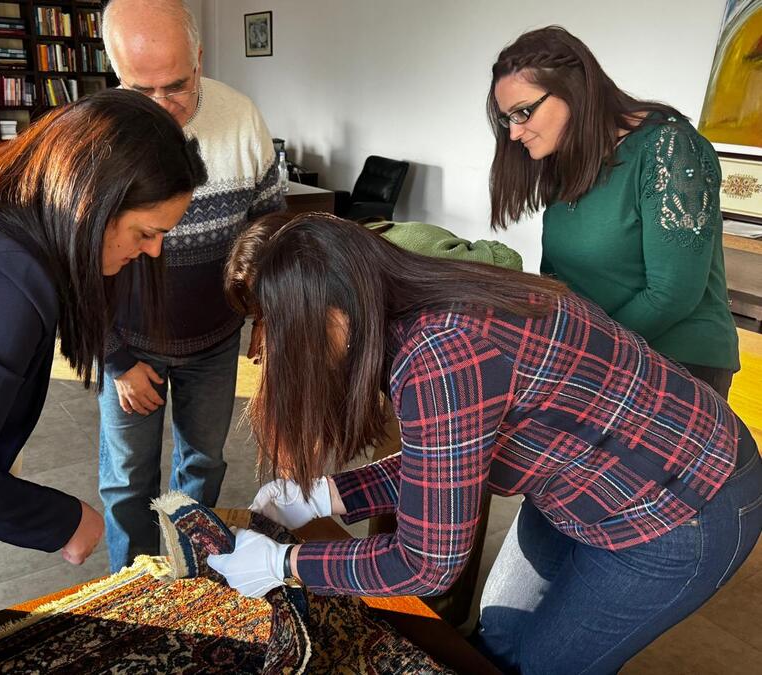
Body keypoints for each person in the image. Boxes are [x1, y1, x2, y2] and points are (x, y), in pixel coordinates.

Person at [208, 214, 762, 675]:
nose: (267, 347)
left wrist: (286, 563)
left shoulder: (442, 355)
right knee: (498, 638)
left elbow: (427, 565)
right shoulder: (415, 293)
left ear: (333, 310)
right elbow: (446, 459)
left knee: (544, 666)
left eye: (275, 324)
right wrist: (328, 495)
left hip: (684, 502)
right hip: (588, 475)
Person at [0, 89, 207, 674]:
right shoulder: (0, 278)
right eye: (147, 231)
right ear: (93, 204)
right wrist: (66, 521)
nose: (153, 250)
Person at [98, 0, 284, 573]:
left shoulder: (243, 118)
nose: (159, 108)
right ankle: (133, 588)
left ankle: (188, 577)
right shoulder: (96, 135)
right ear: (116, 75)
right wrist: (115, 359)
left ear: (199, 59)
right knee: (129, 480)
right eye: (139, 89)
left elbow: (269, 232)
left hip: (214, 338)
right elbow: (73, 266)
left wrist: (268, 317)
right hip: (131, 341)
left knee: (203, 466)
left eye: (175, 87)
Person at [487, 26, 739, 398]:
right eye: (508, 118)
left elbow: (673, 293)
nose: (514, 133)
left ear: (575, 89)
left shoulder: (669, 148)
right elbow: (563, 278)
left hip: (677, 365)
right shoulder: (570, 158)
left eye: (523, 112)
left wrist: (584, 353)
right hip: (603, 357)